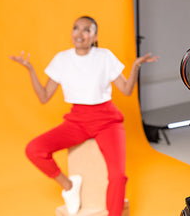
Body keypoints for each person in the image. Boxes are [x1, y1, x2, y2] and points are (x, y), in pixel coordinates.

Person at [10, 16, 157, 216]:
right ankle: (69, 187)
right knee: (34, 149)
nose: (80, 34)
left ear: (95, 36)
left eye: (87, 30)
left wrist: (135, 67)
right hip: (77, 121)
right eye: (76, 28)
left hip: (107, 121)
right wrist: (30, 70)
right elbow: (44, 97)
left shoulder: (104, 56)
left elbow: (126, 89)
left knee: (117, 176)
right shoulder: (62, 59)